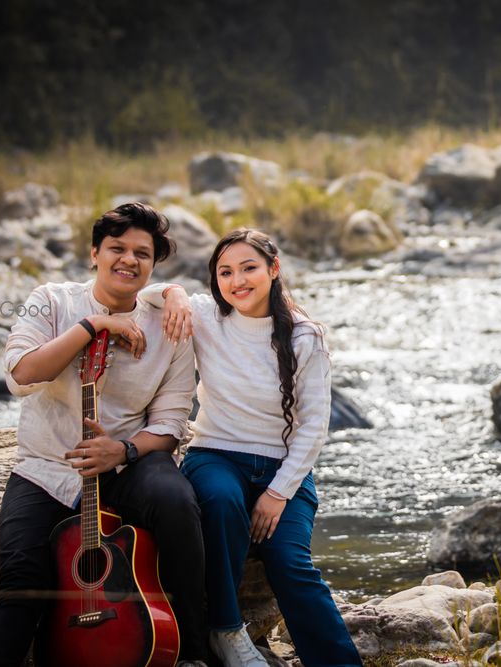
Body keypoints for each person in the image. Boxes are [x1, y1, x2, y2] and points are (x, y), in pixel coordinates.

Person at [0, 203, 208, 666]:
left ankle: (194, 650)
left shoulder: (170, 325)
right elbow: (21, 375)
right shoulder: (52, 300)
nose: (128, 260)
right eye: (116, 249)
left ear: (154, 265)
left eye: (142, 253)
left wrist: (120, 449)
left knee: (177, 502)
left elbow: (170, 424)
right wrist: (92, 325)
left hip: (126, 463)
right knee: (22, 575)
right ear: (94, 254)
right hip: (46, 467)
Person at [141, 229, 362, 667]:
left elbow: (314, 426)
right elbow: (147, 295)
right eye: (225, 272)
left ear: (273, 270)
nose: (237, 281)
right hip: (216, 455)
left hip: (284, 469)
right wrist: (175, 293)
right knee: (221, 504)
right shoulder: (206, 316)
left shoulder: (305, 336)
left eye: (248, 268)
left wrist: (278, 493)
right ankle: (226, 629)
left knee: (290, 563)